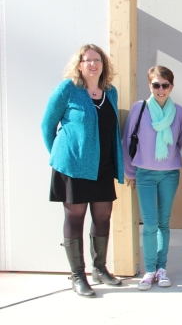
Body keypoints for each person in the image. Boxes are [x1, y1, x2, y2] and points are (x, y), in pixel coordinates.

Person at [41, 44, 124, 298]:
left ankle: (100, 268)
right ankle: (78, 275)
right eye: (87, 60)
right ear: (79, 65)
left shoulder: (110, 92)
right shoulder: (68, 89)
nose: (92, 64)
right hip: (73, 166)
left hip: (103, 165)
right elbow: (48, 125)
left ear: (103, 64)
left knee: (102, 216)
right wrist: (61, 156)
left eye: (97, 60)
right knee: (75, 218)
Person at [122, 66, 182, 291]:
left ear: (171, 86)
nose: (160, 89)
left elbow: (179, 142)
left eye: (165, 85)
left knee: (164, 223)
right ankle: (150, 270)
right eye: (156, 85)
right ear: (150, 85)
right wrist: (130, 172)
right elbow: (127, 141)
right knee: (149, 224)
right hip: (145, 174)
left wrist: (166, 160)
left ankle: (162, 268)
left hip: (169, 174)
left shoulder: (179, 112)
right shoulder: (140, 109)